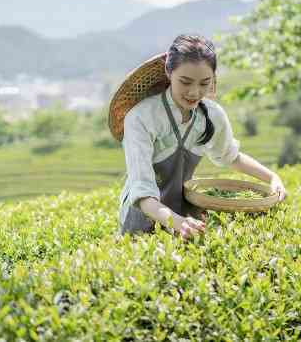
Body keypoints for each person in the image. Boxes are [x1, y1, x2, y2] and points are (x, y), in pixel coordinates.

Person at [108, 34, 287, 239]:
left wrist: (273, 177)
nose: (194, 92)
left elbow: (231, 157)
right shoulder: (141, 117)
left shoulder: (212, 115)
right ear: (168, 71)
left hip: (186, 217)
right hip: (143, 220)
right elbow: (142, 192)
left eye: (204, 83)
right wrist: (177, 222)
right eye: (185, 82)